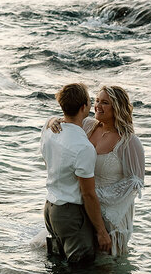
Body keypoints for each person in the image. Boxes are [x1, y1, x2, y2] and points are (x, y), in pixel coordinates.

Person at [48, 85, 145, 256]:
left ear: (117, 108)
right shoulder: (87, 125)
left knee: (104, 266)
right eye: (97, 101)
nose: (98, 106)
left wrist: (97, 196)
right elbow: (66, 123)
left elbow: (134, 185)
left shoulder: (129, 142)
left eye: (105, 103)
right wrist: (52, 121)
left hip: (110, 215)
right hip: (83, 207)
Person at [40, 83, 112, 263]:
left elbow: (49, 122)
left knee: (60, 267)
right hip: (70, 215)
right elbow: (88, 194)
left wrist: (51, 120)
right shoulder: (83, 147)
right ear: (83, 108)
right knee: (81, 271)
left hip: (50, 208)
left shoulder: (49, 130)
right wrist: (101, 232)